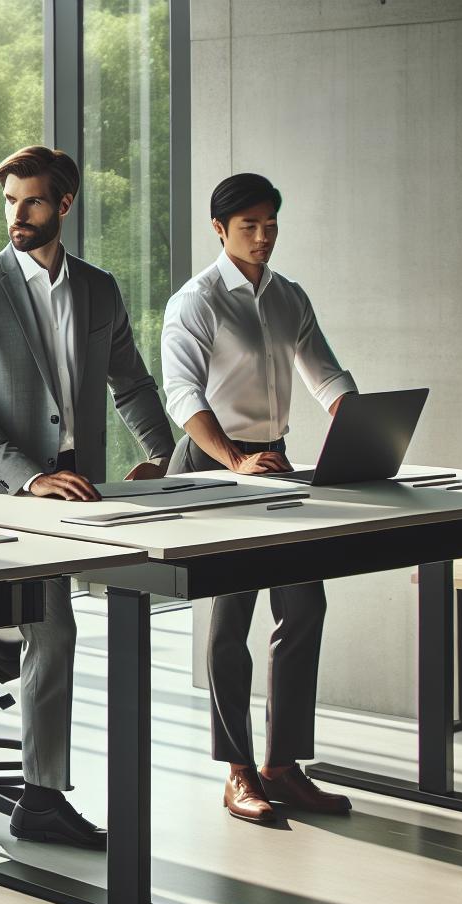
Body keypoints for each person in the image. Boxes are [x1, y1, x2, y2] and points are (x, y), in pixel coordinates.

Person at [0, 145, 175, 849]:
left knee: (108, 610)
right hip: (13, 500)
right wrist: (29, 475)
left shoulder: (98, 289)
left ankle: (45, 793)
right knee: (56, 628)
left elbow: (129, 382)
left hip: (86, 490)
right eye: (10, 201)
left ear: (64, 205)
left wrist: (161, 453)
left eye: (33, 201)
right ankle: (40, 799)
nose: (19, 214)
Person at [159, 172, 356, 824]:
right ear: (220, 229)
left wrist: (361, 428)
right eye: (250, 225)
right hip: (213, 461)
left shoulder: (288, 297)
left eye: (271, 223)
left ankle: (283, 766)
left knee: (303, 604)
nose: (264, 235)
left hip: (273, 461)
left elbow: (325, 374)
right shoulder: (196, 302)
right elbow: (184, 398)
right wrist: (236, 460)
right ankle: (238, 771)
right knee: (230, 622)